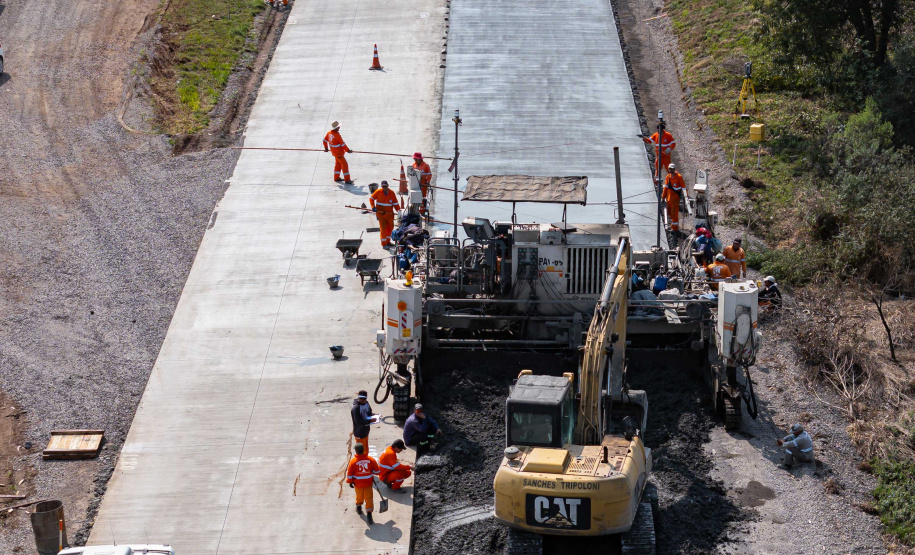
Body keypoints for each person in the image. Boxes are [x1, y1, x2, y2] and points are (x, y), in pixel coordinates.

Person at [346, 442, 380, 524]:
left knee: (359, 496)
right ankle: (369, 514)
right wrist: (370, 472)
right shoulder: (371, 460)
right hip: (368, 484)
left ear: (356, 451)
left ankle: (359, 507)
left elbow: (350, 474)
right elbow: (377, 471)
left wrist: (350, 482)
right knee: (369, 498)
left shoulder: (353, 462)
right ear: (363, 450)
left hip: (358, 484)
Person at [370, 181, 401, 248]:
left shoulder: (392, 193)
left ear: (388, 185)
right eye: (383, 187)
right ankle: (384, 244)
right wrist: (373, 207)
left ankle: (388, 241)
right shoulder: (378, 192)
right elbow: (371, 199)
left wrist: (399, 211)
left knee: (390, 228)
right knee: (383, 229)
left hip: (389, 215)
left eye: (385, 186)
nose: (384, 188)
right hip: (381, 214)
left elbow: (395, 203)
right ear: (381, 186)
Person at [663, 163, 687, 234]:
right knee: (669, 213)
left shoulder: (679, 177)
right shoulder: (668, 177)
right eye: (670, 169)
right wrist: (663, 197)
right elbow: (665, 188)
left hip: (675, 199)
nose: (671, 170)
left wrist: (686, 197)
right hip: (669, 199)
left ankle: (675, 229)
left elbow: (683, 187)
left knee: (674, 214)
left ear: (674, 169)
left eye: (672, 169)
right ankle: (672, 225)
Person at [351, 390, 375, 455]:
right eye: (361, 398)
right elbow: (358, 422)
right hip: (359, 433)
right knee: (361, 452)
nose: (362, 400)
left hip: (365, 431)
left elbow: (369, 413)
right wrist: (370, 420)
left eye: (364, 398)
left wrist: (374, 415)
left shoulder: (366, 404)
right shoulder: (356, 408)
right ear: (358, 398)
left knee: (366, 450)